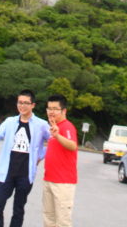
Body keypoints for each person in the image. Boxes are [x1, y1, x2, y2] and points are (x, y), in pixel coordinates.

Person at [0, 89, 51, 227]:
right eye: (20, 102)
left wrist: (40, 155)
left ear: (33, 105)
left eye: (26, 103)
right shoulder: (10, 122)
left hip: (25, 174)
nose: (22, 106)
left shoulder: (41, 124)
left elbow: (53, 142)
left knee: (18, 209)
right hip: (7, 172)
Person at [42, 94, 78, 227]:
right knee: (49, 219)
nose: (51, 112)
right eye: (49, 108)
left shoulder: (67, 126)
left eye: (55, 109)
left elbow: (73, 145)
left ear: (64, 111)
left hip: (63, 183)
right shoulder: (53, 127)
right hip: (49, 179)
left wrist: (57, 135)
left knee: (62, 221)